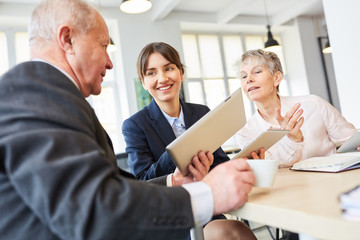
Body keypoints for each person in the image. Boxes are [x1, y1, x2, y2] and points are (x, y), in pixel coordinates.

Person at [0, 1, 256, 239]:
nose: (110, 62)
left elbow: (109, 186)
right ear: (68, 39)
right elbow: (93, 211)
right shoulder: (37, 91)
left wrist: (173, 181)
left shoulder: (49, 92)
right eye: (103, 46)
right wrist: (206, 194)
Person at [122, 42, 257, 240]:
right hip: (169, 215)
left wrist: (244, 161)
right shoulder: (134, 125)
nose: (162, 78)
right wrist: (181, 149)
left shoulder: (201, 112)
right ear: (143, 81)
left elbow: (219, 162)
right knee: (233, 233)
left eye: (169, 68)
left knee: (240, 230)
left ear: (181, 73)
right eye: (151, 73)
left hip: (208, 207)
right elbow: (143, 181)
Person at [235, 49, 357, 168]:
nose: (249, 80)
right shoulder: (245, 132)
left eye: (257, 72)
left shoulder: (313, 104)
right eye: (243, 76)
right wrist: (294, 140)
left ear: (276, 78)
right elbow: (271, 168)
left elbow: (352, 140)